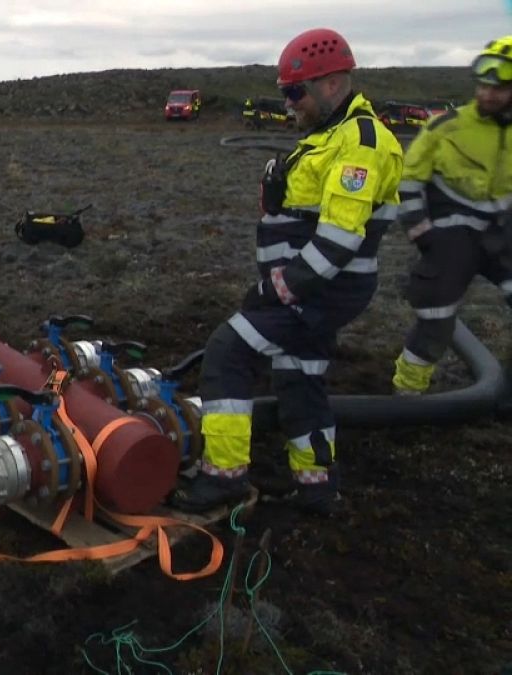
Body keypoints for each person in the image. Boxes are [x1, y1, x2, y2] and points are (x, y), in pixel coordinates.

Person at [170, 28, 404, 515]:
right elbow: (311, 215)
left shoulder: (360, 142)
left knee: (228, 351)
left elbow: (338, 241)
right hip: (317, 289)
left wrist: (275, 290)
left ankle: (224, 476)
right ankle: (318, 488)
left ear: (332, 85)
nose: (289, 103)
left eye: (295, 92)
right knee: (300, 377)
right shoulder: (329, 137)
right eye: (285, 93)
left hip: (322, 290)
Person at [391, 36, 512, 395]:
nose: (488, 95)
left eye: (501, 88)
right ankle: (406, 394)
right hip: (450, 237)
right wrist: (423, 235)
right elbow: (409, 182)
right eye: (484, 85)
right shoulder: (447, 127)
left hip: (503, 237)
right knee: (436, 321)